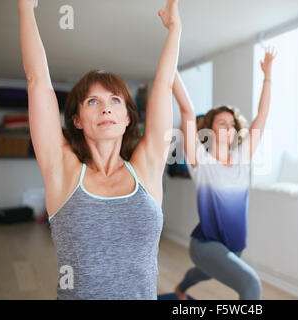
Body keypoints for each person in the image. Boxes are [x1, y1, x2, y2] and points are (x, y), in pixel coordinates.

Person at [18, 0, 182, 299]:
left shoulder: (146, 166)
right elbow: (37, 81)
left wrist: (175, 29)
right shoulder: (64, 171)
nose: (106, 108)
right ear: (77, 120)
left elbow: (163, 84)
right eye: (93, 101)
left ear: (129, 117)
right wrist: (25, 9)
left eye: (115, 100)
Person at [173, 47, 277, 300]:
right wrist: (171, 69)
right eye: (222, 123)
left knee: (204, 273)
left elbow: (261, 116)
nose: (229, 128)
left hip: (235, 246)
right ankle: (183, 287)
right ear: (209, 129)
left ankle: (180, 289)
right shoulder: (201, 160)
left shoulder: (242, 158)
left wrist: (267, 74)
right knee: (251, 285)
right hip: (205, 245)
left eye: (232, 124)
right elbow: (187, 111)